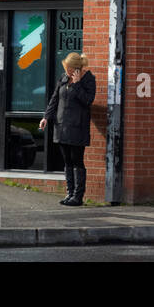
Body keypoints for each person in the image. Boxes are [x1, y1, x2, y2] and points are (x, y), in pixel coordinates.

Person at [40, 52, 96, 206]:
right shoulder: (64, 78)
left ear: (77, 69)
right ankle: (69, 194)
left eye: (69, 68)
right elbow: (54, 98)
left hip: (77, 127)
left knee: (77, 161)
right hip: (61, 126)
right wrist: (46, 117)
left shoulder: (88, 80)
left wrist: (77, 84)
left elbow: (88, 101)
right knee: (67, 161)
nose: (67, 71)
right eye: (66, 68)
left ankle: (78, 197)